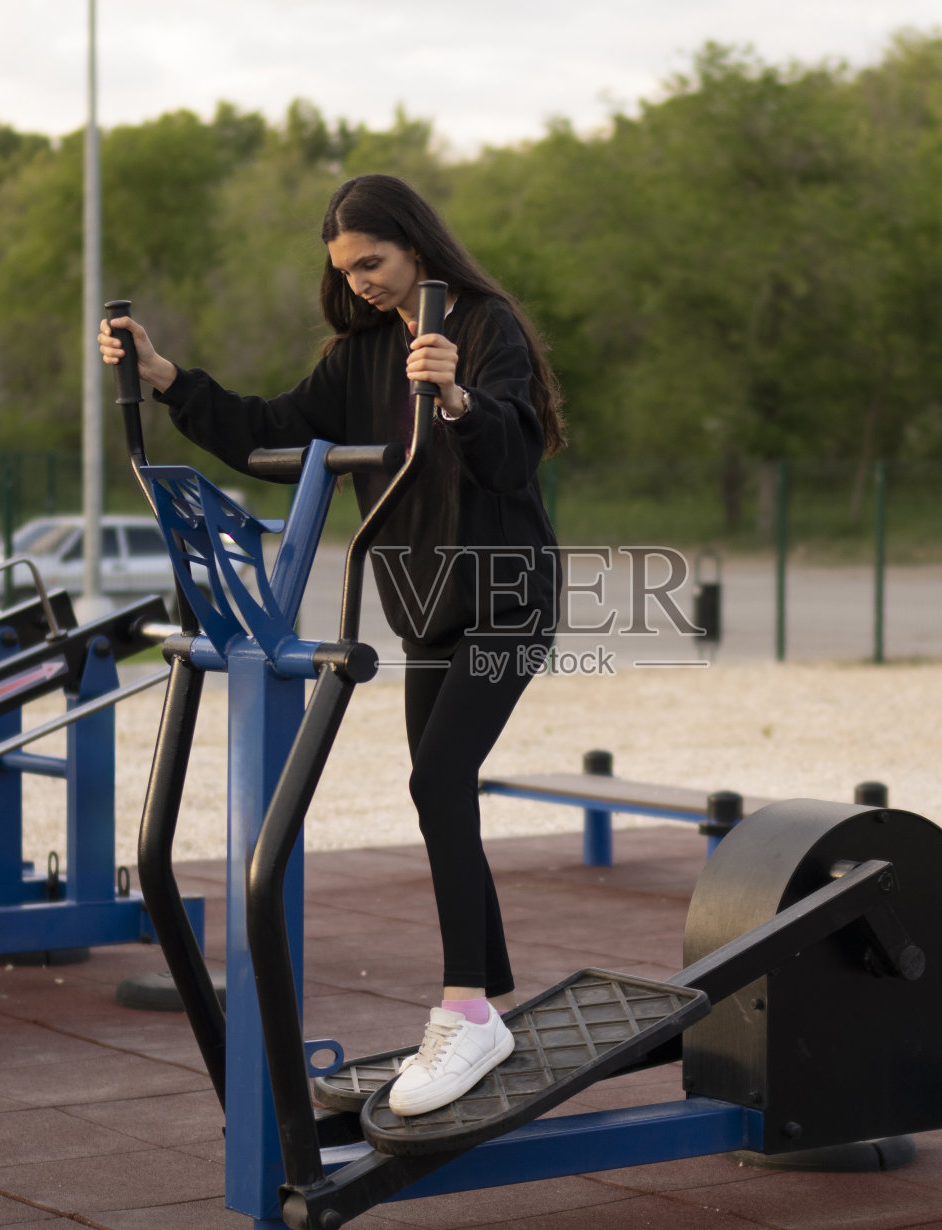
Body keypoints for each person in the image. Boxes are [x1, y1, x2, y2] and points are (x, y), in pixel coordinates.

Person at [99, 173, 565, 1117]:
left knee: (436, 781)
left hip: (507, 595)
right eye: (347, 270)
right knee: (443, 789)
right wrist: (163, 377)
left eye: (374, 262)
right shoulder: (355, 362)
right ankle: (490, 993)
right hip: (427, 606)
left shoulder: (483, 326)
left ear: (416, 248)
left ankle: (468, 1007)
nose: (361, 281)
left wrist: (460, 400)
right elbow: (268, 429)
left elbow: (516, 455)